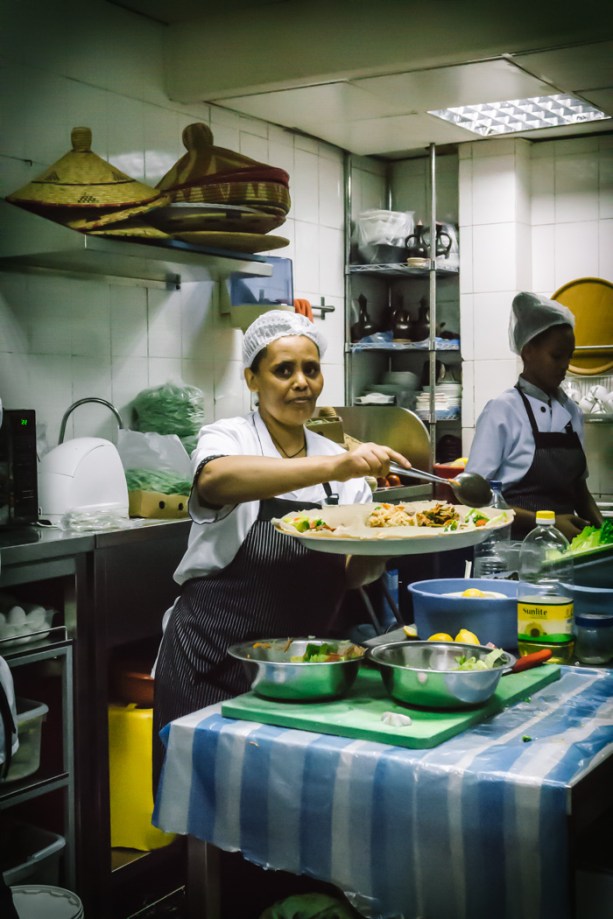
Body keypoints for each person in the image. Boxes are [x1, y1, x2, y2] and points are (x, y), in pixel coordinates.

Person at [153, 310, 410, 784]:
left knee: (282, 805)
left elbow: (351, 573)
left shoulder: (339, 461)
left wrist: (389, 540)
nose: (301, 383)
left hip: (301, 669)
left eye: (311, 370)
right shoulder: (228, 437)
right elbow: (216, 480)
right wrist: (334, 470)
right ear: (252, 378)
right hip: (210, 659)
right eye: (283, 370)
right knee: (205, 804)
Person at [466, 291, 603, 541]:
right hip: (513, 551)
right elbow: (474, 500)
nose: (565, 365)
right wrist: (548, 523)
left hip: (565, 551)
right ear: (528, 351)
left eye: (569, 356)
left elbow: (579, 492)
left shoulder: (571, 412)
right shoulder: (502, 410)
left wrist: (606, 534)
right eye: (557, 356)